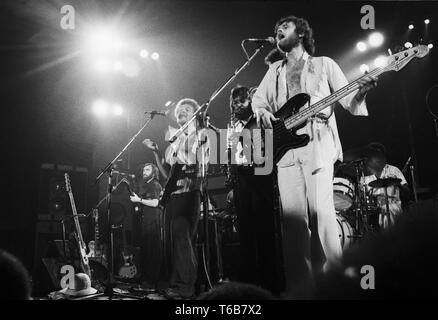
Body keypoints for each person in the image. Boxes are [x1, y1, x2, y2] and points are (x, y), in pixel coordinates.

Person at [251, 15, 377, 299]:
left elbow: (349, 101)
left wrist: (362, 92)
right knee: (294, 223)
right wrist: (262, 111)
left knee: (322, 214)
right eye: (276, 28)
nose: (278, 29)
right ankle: (300, 290)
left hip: (318, 142)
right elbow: (258, 101)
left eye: (284, 26)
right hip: (285, 148)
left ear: (301, 32)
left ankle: (333, 285)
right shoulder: (274, 70)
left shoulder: (325, 64)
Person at [142, 98, 209, 299]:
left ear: (196, 115)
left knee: (183, 239)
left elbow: (195, 163)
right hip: (174, 196)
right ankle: (176, 284)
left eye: (187, 110)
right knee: (176, 243)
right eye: (180, 110)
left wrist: (181, 139)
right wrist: (156, 152)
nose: (181, 112)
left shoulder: (201, 134)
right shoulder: (174, 142)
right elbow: (166, 174)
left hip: (190, 193)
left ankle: (185, 288)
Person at [227, 85, 283, 296]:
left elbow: (271, 148)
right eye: (233, 102)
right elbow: (230, 155)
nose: (236, 106)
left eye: (240, 101)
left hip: (261, 173)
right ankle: (249, 285)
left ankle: (271, 286)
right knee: (246, 234)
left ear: (251, 101)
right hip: (241, 178)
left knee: (265, 231)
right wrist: (231, 183)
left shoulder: (261, 119)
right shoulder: (233, 125)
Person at [129, 163, 163, 289]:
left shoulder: (154, 184)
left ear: (154, 172)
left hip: (153, 222)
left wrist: (139, 200)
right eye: (143, 169)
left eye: (147, 169)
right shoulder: (148, 185)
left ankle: (150, 281)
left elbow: (155, 203)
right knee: (146, 251)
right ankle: (144, 279)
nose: (144, 171)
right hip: (147, 222)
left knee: (152, 251)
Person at [361, 142, 409, 230]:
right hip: (373, 209)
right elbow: (362, 198)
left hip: (394, 207)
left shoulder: (394, 170)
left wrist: (397, 183)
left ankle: (389, 239)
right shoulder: (365, 176)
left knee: (387, 211)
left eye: (378, 155)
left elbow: (407, 192)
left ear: (383, 156)